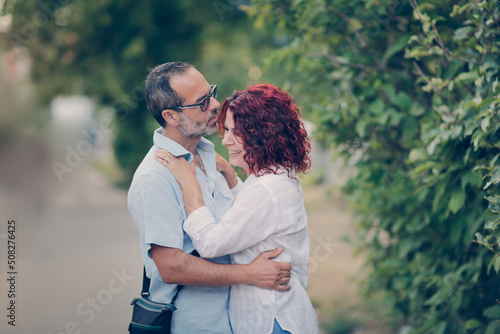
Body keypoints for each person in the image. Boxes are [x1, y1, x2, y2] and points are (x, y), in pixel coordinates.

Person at [127, 62, 293, 334]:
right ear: (171, 116)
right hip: (196, 323)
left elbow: (239, 223)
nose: (216, 104)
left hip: (240, 316)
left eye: (211, 93)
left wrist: (230, 175)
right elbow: (171, 266)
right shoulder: (154, 177)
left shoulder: (208, 155)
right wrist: (249, 274)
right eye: (202, 102)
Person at [156, 84, 319, 334]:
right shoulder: (275, 176)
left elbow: (211, 244)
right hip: (275, 315)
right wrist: (232, 178)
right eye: (226, 130)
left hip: (271, 319)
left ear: (263, 134)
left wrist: (190, 184)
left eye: (235, 132)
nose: (225, 140)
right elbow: (254, 217)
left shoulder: (268, 188)